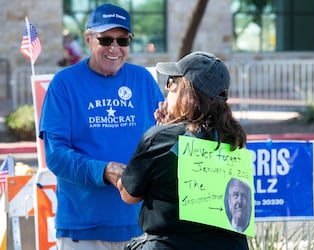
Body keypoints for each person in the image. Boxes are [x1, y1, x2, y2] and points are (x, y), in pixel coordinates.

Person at [39, 3, 164, 250]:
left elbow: (162, 141)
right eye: (106, 40)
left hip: (141, 226)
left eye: (123, 40)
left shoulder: (143, 80)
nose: (114, 48)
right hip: (83, 229)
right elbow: (55, 156)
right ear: (88, 39)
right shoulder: (64, 83)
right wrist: (103, 171)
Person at [117, 51, 250, 249]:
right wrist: (169, 127)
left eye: (171, 82)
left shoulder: (159, 138)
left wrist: (161, 132)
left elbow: (128, 195)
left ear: (187, 92)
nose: (167, 89)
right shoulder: (233, 138)